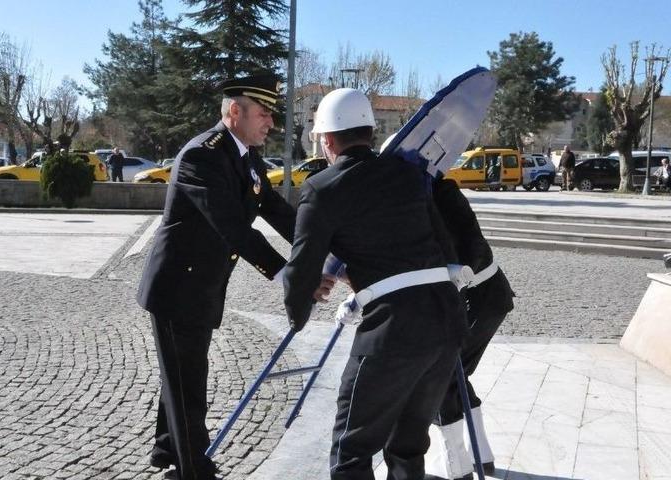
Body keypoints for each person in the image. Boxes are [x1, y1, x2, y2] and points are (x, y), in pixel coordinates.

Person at [283, 88, 467, 480]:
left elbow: (303, 268)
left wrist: (298, 311)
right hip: (447, 318)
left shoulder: (321, 188)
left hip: (395, 328)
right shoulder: (408, 172)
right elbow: (439, 240)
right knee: (408, 443)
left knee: (352, 446)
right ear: (368, 131)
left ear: (328, 141)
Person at [137, 74, 312, 480]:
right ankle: (193, 468)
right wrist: (287, 273)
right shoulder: (202, 156)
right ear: (235, 112)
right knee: (188, 382)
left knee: (181, 373)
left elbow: (277, 211)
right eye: (264, 114)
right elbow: (233, 226)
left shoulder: (245, 157)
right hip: (178, 288)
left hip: (202, 285)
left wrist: (321, 246)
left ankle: (167, 450)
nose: (271, 123)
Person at [424, 177, 515, 480]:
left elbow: (464, 250)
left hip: (473, 298)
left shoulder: (432, 195)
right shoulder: (441, 188)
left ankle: (457, 464)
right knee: (454, 373)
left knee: (441, 376)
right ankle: (481, 455)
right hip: (487, 295)